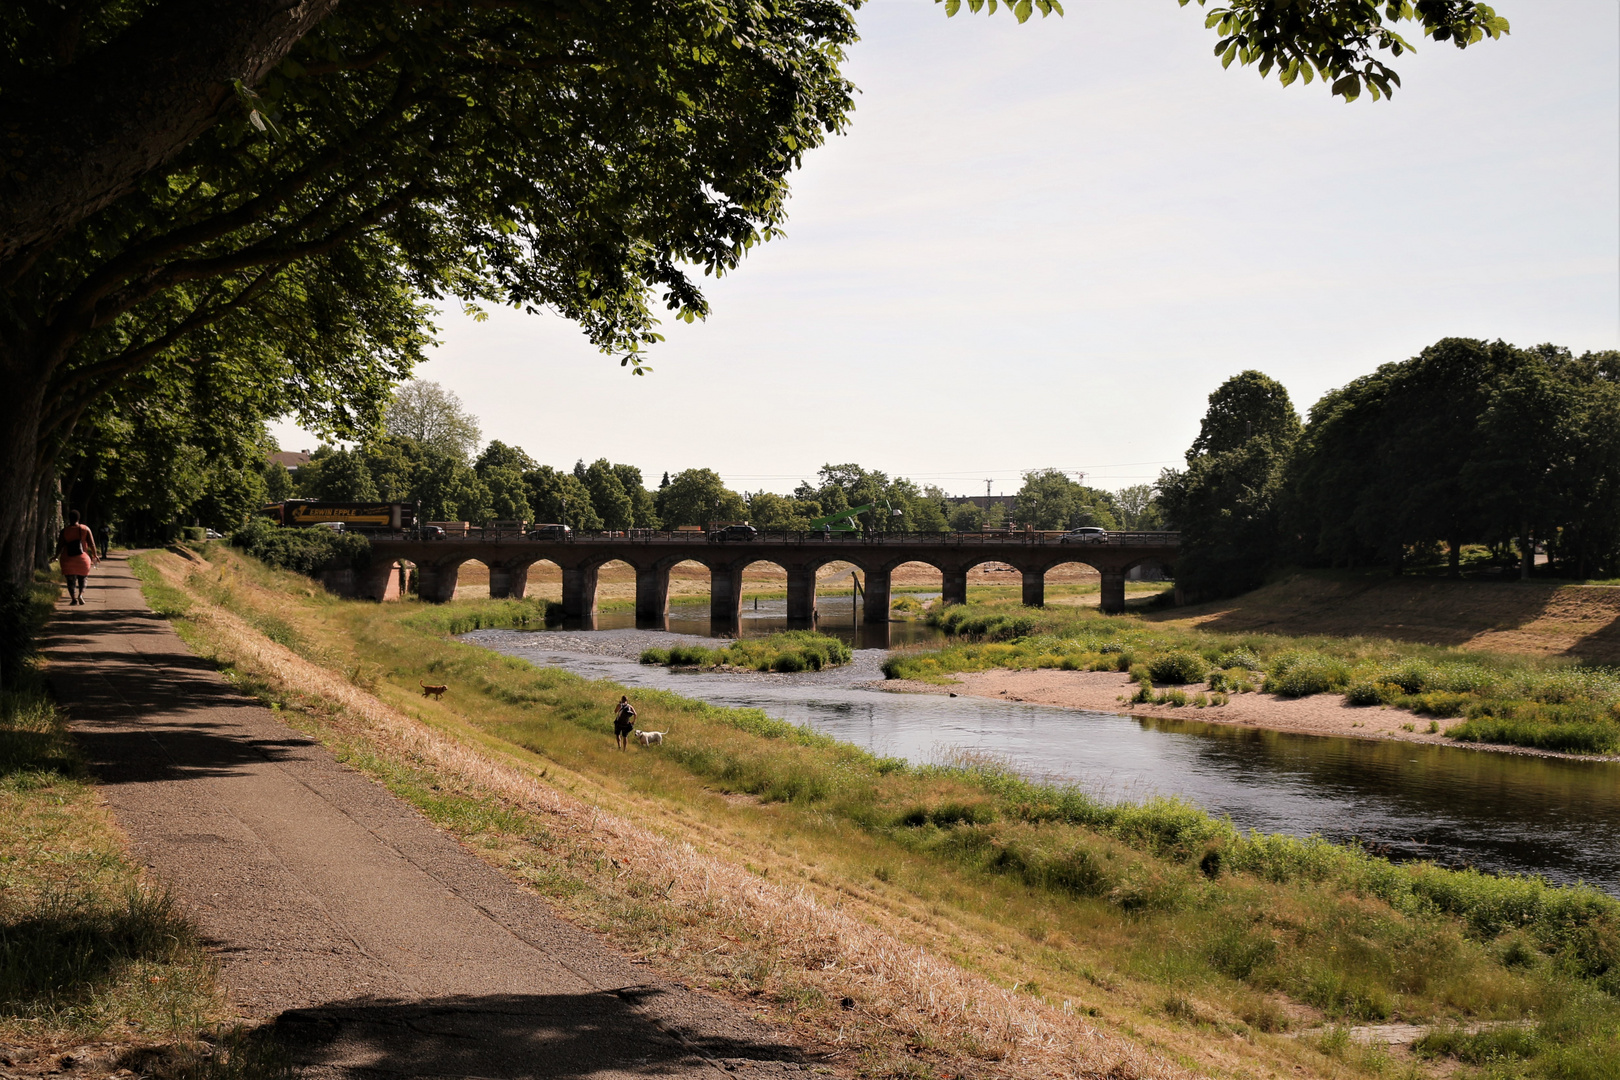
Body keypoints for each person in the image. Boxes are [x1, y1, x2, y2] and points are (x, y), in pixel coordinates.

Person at [57, 510, 99, 606]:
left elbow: (59, 546)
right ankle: (80, 595)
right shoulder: (85, 529)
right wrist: (95, 555)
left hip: (67, 559)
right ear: (78, 518)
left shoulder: (64, 531)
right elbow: (92, 544)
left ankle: (73, 599)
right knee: (83, 578)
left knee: (70, 580)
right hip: (82, 559)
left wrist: (55, 556)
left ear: (69, 518)